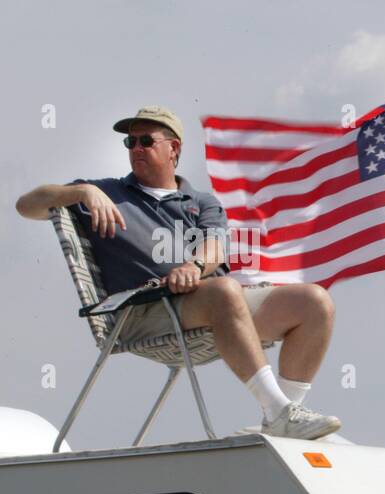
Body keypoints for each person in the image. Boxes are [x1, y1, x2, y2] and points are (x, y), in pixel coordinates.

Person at [16, 105, 341, 440]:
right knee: (224, 291)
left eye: (146, 140)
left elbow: (215, 247)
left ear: (174, 149)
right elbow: (26, 205)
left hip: (211, 304)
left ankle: (284, 414)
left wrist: (194, 267)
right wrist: (80, 192)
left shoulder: (201, 201)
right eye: (130, 143)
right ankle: (279, 412)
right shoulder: (106, 192)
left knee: (314, 301)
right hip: (143, 312)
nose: (136, 148)